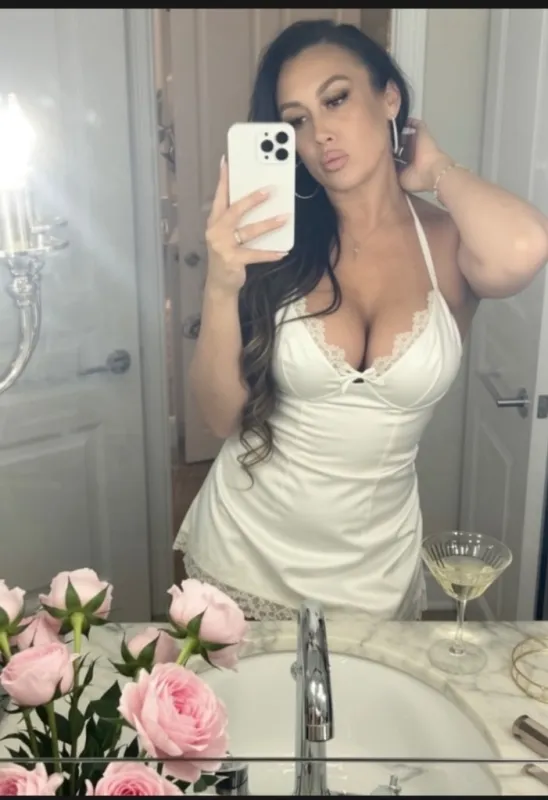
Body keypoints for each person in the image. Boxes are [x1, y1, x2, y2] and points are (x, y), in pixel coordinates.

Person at [173, 19, 548, 621]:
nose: (319, 133)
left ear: (389, 97)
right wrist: (221, 284)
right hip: (241, 555)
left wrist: (436, 170)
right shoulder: (275, 247)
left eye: (336, 99)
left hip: (375, 574)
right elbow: (219, 417)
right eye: (296, 120)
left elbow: (526, 245)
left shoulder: (448, 242)